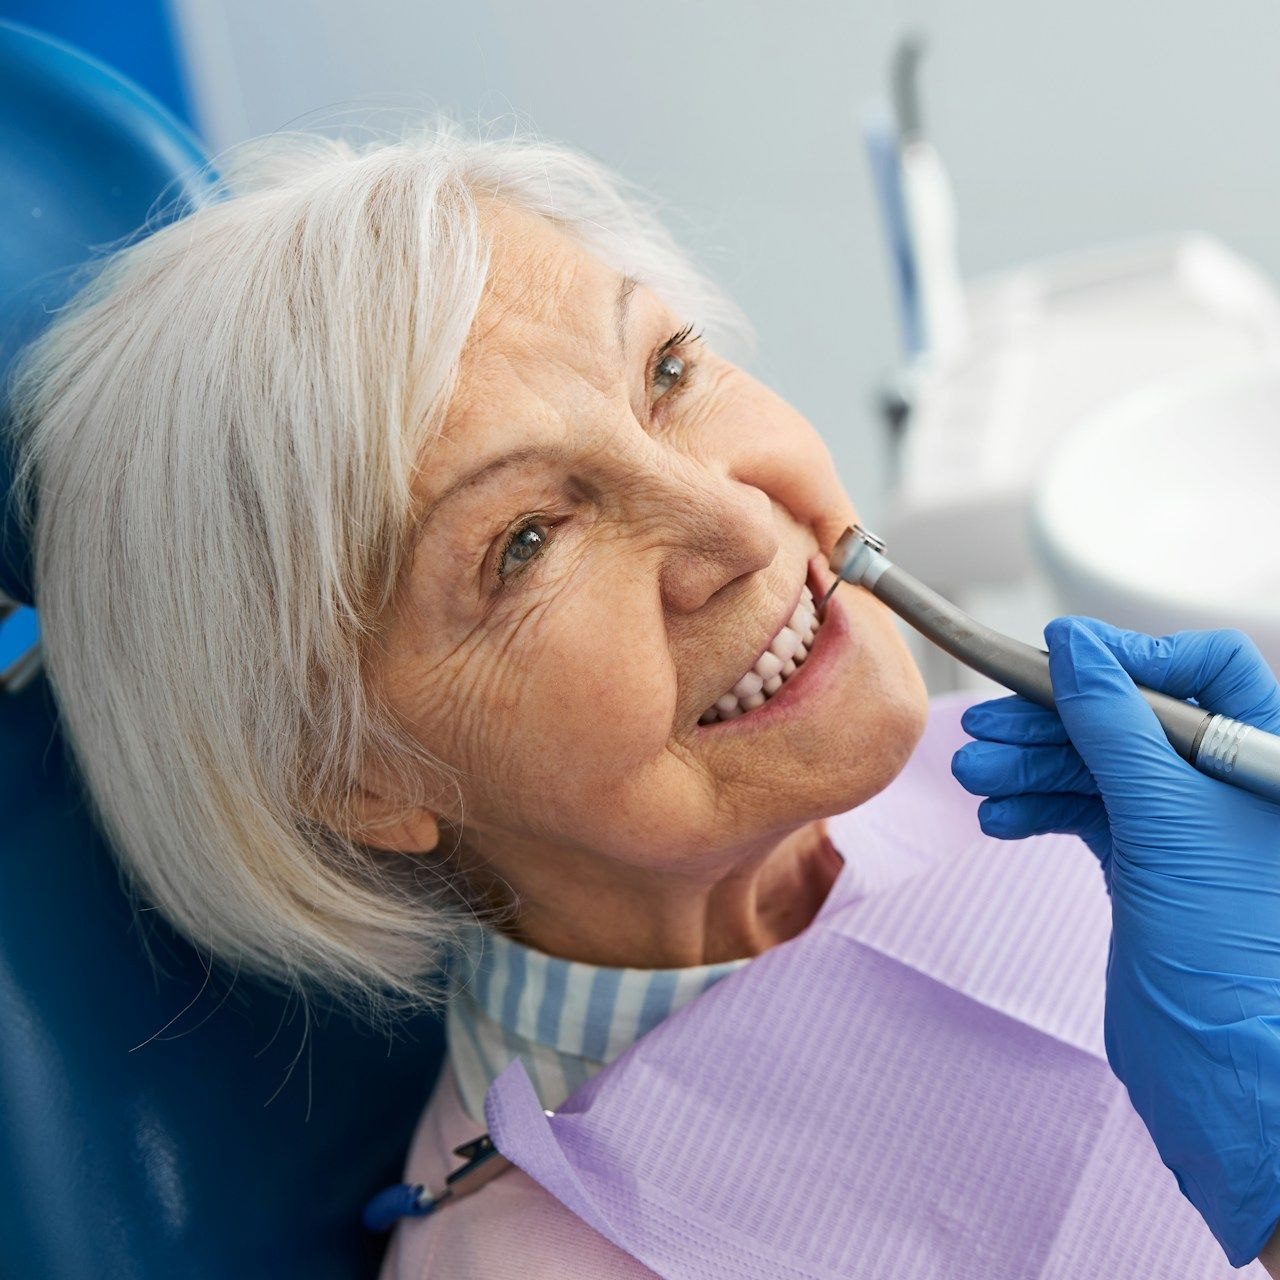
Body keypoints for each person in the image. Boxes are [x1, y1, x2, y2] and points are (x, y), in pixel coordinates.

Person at [8, 115, 1280, 1274]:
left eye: (667, 371)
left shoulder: (1041, 800)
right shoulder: (541, 1252)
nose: (734, 517)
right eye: (524, 541)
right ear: (360, 776)